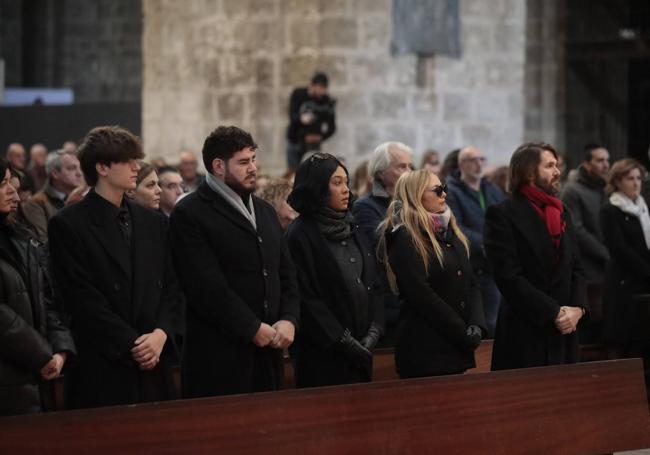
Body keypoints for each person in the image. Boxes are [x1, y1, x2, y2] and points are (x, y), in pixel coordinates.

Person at [48, 126, 182, 409]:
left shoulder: (153, 221)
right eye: (127, 160)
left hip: (155, 361)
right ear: (102, 168)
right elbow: (81, 297)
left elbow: (172, 285)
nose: (136, 167)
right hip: (104, 364)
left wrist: (160, 334)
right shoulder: (68, 224)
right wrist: (133, 344)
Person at [170, 125, 300, 398]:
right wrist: (251, 327)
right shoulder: (190, 212)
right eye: (243, 162)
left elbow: (286, 273)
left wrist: (288, 319)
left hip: (269, 351)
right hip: (219, 356)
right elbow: (205, 286)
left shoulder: (264, 210)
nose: (253, 167)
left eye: (253, 159)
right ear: (218, 166)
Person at [484, 142, 587, 370]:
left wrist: (578, 309)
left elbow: (577, 267)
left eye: (557, 165)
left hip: (565, 329)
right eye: (550, 165)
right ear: (529, 172)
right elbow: (507, 275)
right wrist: (553, 311)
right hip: (526, 328)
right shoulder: (502, 214)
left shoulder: (562, 211)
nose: (557, 171)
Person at [286, 153, 383, 387]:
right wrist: (343, 340)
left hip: (362, 349)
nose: (345, 189)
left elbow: (373, 281)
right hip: (322, 355)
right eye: (336, 183)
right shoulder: (300, 234)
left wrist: (374, 330)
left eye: (346, 182)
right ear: (318, 188)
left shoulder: (352, 225)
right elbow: (306, 298)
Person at [379, 169, 485, 378]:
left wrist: (476, 324)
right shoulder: (404, 236)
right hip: (425, 349)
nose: (444, 194)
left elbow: (471, 282)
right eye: (437, 190)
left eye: (444, 188)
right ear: (416, 195)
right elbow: (421, 294)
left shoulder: (450, 231)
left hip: (456, 346)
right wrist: (461, 331)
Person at [0, 158, 75, 416]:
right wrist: (42, 355)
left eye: (12, 182)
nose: (13, 190)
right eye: (3, 183)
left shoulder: (20, 238)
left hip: (36, 376)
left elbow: (47, 296)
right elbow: (5, 321)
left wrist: (61, 349)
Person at [352, 141, 413, 345]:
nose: (408, 172)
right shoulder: (365, 207)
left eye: (410, 166)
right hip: (388, 305)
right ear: (380, 172)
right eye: (401, 167)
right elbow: (380, 247)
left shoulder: (413, 205)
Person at [445, 146, 505, 336]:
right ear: (461, 164)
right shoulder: (451, 191)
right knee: (482, 322)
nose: (479, 164)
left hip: (496, 266)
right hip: (473, 265)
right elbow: (456, 226)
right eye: (473, 160)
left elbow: (504, 221)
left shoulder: (492, 189)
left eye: (482, 159)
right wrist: (487, 245)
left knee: (498, 322)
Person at [600, 159, 650, 381]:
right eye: (630, 178)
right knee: (621, 338)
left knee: (640, 339)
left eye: (639, 178)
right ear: (617, 181)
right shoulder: (611, 209)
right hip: (623, 281)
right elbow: (619, 249)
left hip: (643, 281)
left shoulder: (642, 207)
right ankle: (617, 388)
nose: (636, 183)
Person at [560, 143, 610, 343]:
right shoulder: (572, 190)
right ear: (587, 163)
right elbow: (577, 230)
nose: (606, 165)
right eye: (600, 160)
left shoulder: (605, 188)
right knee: (588, 323)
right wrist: (606, 254)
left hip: (605, 266)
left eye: (607, 160)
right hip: (587, 265)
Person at [21, 149, 83, 243]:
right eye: (71, 168)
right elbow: (43, 242)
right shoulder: (36, 203)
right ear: (55, 174)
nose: (79, 173)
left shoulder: (83, 198)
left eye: (80, 168)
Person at [286, 72, 336, 171]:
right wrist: (301, 119)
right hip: (294, 141)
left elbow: (332, 127)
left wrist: (320, 137)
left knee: (312, 173)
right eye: (319, 88)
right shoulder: (298, 94)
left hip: (313, 146)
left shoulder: (326, 101)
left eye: (323, 89)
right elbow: (292, 116)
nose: (321, 92)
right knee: (293, 173)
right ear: (312, 85)